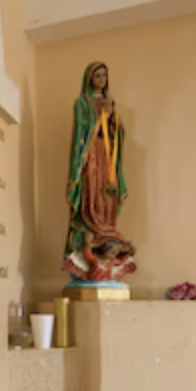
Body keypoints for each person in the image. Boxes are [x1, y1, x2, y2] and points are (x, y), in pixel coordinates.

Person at [64, 62, 137, 283]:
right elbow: (81, 132)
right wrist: (100, 116)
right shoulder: (82, 103)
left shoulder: (110, 101)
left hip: (107, 157)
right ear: (89, 79)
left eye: (104, 75)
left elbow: (117, 134)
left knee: (108, 194)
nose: (102, 79)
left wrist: (113, 119)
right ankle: (90, 236)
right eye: (97, 75)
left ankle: (107, 232)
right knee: (92, 192)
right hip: (90, 157)